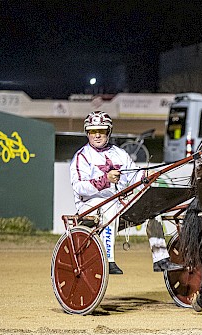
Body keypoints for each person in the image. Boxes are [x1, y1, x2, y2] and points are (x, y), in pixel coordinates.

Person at [70, 110, 183, 274]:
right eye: (93, 131)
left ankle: (160, 259)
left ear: (108, 132)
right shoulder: (82, 156)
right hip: (90, 204)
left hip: (118, 203)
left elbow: (134, 175)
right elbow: (79, 187)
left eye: (101, 131)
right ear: (87, 133)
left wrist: (145, 175)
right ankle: (108, 260)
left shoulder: (120, 154)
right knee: (109, 208)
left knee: (152, 209)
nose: (97, 135)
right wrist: (105, 179)